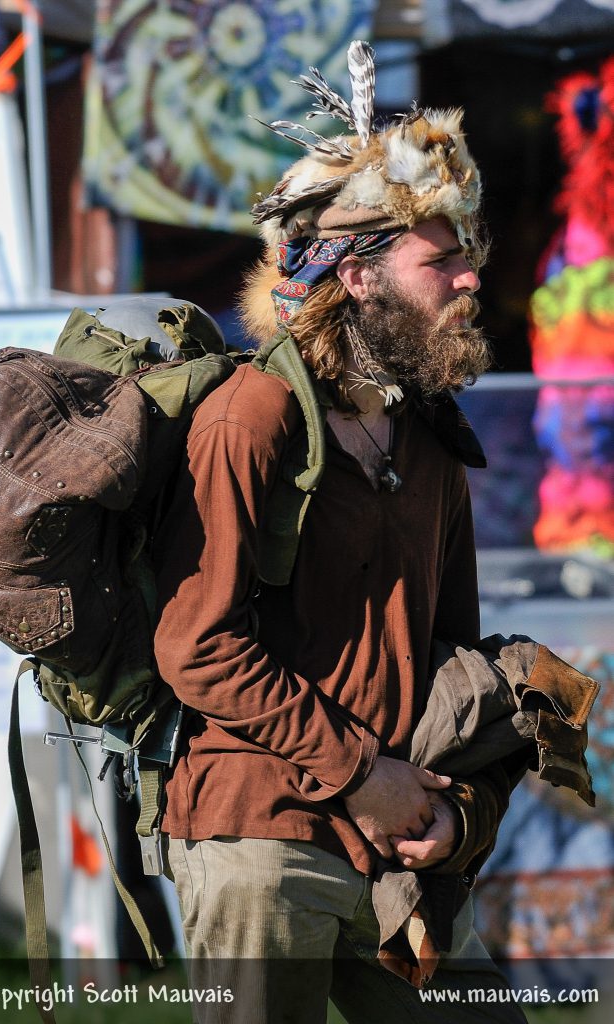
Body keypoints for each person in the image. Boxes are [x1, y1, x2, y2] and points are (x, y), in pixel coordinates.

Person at [151, 42, 584, 1024]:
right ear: (355, 275)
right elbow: (195, 644)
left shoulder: (431, 438)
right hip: (258, 840)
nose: (471, 279)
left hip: (394, 852)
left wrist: (454, 815)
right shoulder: (249, 419)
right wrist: (358, 773)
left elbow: (452, 657)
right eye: (442, 260)